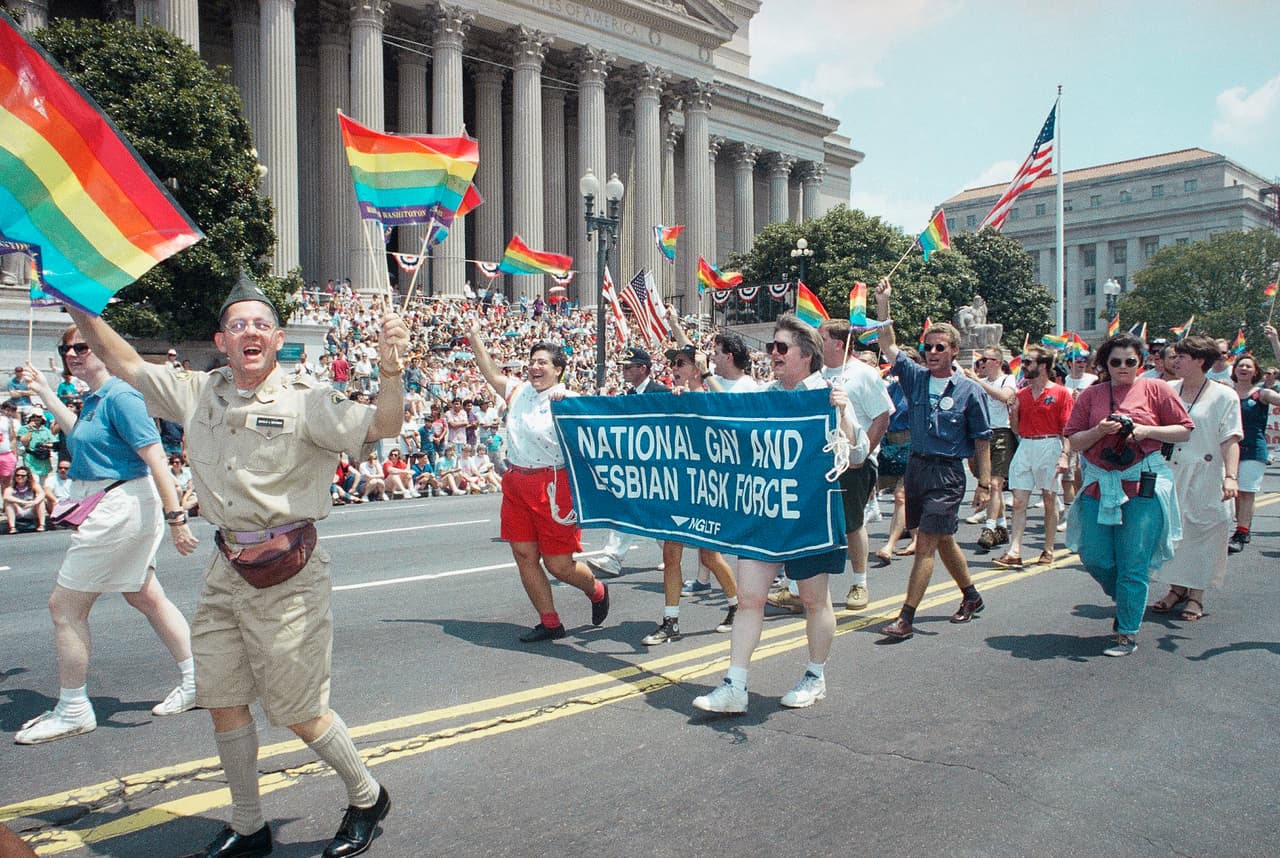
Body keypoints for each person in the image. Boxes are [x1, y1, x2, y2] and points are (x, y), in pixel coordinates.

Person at [65, 275, 406, 858]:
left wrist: (392, 370)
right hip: (227, 566)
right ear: (221, 341)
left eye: (260, 324)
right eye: (236, 324)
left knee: (300, 711)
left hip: (290, 569)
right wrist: (73, 298)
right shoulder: (198, 391)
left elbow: (385, 425)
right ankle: (249, 828)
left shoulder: (307, 398)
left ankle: (367, 795)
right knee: (222, 697)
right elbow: (121, 359)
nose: (249, 332)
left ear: (277, 338)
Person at [13, 326, 199, 746]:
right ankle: (197, 679)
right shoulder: (96, 398)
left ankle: (74, 709)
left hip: (120, 508)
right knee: (145, 596)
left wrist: (177, 519)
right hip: (110, 505)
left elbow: (156, 458)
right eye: (67, 349)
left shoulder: (122, 396)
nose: (73, 354)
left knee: (65, 607)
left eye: (83, 346)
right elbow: (77, 435)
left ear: (102, 348)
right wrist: (44, 390)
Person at [692, 313, 865, 714]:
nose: (773, 354)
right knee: (750, 597)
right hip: (765, 510)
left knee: (813, 600)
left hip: (808, 516)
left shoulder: (829, 393)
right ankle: (735, 684)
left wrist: (841, 416)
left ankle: (815, 675)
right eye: (771, 347)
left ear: (807, 355)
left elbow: (856, 455)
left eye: (781, 348)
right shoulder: (763, 392)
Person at [468, 322, 611, 643]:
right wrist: (475, 337)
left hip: (553, 485)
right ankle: (550, 621)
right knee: (523, 554)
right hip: (517, 481)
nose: (534, 367)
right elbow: (491, 373)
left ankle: (597, 590)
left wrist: (569, 404)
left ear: (558, 370)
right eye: (532, 361)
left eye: (542, 362)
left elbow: (602, 430)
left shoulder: (569, 400)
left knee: (559, 565)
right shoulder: (518, 391)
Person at [873, 280, 993, 641]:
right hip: (917, 469)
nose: (932, 352)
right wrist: (883, 305)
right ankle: (971, 596)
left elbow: (983, 440)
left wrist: (985, 484)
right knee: (942, 540)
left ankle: (906, 618)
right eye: (928, 347)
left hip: (947, 474)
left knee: (925, 541)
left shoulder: (970, 390)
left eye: (940, 347)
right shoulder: (915, 377)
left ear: (955, 350)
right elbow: (888, 345)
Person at [1063, 332, 1193, 657]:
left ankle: (1127, 632)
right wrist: (1099, 431)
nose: (1123, 367)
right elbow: (1074, 440)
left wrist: (1146, 431)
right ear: (1105, 363)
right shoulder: (1091, 395)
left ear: (1142, 362)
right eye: (1115, 361)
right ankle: (1125, 598)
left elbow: (1184, 429)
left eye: (1130, 361)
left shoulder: (1156, 388)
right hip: (1099, 482)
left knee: (1133, 561)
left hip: (1142, 485)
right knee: (1094, 556)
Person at [640, 346, 739, 645]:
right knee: (671, 554)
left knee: (709, 556)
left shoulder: (710, 395)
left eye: (680, 363)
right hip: (679, 487)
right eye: (672, 363)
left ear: (696, 368)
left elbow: (731, 410)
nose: (674, 367)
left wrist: (702, 382)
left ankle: (737, 606)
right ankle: (671, 621)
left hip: (707, 489)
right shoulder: (672, 397)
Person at [1148, 336, 1241, 621]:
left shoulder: (1224, 395)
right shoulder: (1167, 390)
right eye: (1174, 357)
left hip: (1207, 473)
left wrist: (1231, 476)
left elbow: (1231, 439)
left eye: (1181, 357)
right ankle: (1176, 589)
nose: (1174, 362)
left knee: (1204, 533)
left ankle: (1196, 596)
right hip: (1170, 471)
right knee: (1174, 534)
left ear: (1200, 361)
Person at [817, 319, 892, 610]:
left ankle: (860, 583)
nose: (817, 343)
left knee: (852, 523)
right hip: (823, 460)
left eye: (821, 338)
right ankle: (796, 585)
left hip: (853, 463)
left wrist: (863, 454)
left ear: (838, 343)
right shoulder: (818, 373)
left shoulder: (864, 374)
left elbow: (882, 417)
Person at [583, 346, 669, 578]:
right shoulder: (630, 396)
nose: (624, 371)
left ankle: (670, 556)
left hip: (657, 465)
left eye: (628, 367)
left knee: (657, 515)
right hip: (635, 466)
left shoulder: (661, 392)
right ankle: (612, 558)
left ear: (643, 368)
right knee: (627, 507)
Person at [995, 346, 1073, 567]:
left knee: (1049, 499)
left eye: (1029, 362)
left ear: (1043, 366)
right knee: (1019, 501)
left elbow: (1067, 429)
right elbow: (1016, 429)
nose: (1024, 366)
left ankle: (1048, 549)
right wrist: (1015, 410)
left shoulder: (1061, 393)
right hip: (1027, 445)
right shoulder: (1021, 394)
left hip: (1050, 445)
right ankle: (1014, 550)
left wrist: (1065, 455)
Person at [1225, 352, 1280, 554]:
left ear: (1256, 371)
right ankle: (1235, 526)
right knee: (1231, 492)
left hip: (1253, 448)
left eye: (1249, 366)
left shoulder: (1262, 394)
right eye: (1241, 365)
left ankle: (1241, 531)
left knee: (1246, 491)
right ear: (1234, 369)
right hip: (1227, 447)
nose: (1244, 369)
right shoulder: (1225, 392)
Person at [4, 465, 45, 533]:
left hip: (31, 510)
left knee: (41, 502)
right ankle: (12, 527)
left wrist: (34, 502)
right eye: (17, 475)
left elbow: (42, 494)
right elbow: (6, 496)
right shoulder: (11, 487)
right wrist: (23, 502)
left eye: (22, 475)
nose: (20, 477)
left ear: (27, 477)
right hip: (18, 510)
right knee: (8, 503)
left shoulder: (33, 485)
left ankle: (42, 525)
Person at [19, 412, 56, 484]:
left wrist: (44, 445)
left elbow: (53, 443)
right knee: (34, 483)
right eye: (33, 416)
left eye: (38, 416)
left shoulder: (45, 430)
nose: (36, 418)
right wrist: (30, 430)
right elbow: (24, 442)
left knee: (44, 485)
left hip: (44, 461)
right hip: (30, 460)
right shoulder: (24, 429)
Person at [0, 400, 20, 492]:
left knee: (7, 482)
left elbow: (13, 438)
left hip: (6, 454)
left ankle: (6, 504)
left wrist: (14, 454)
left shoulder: (12, 422)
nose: (9, 412)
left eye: (12, 411)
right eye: (7, 410)